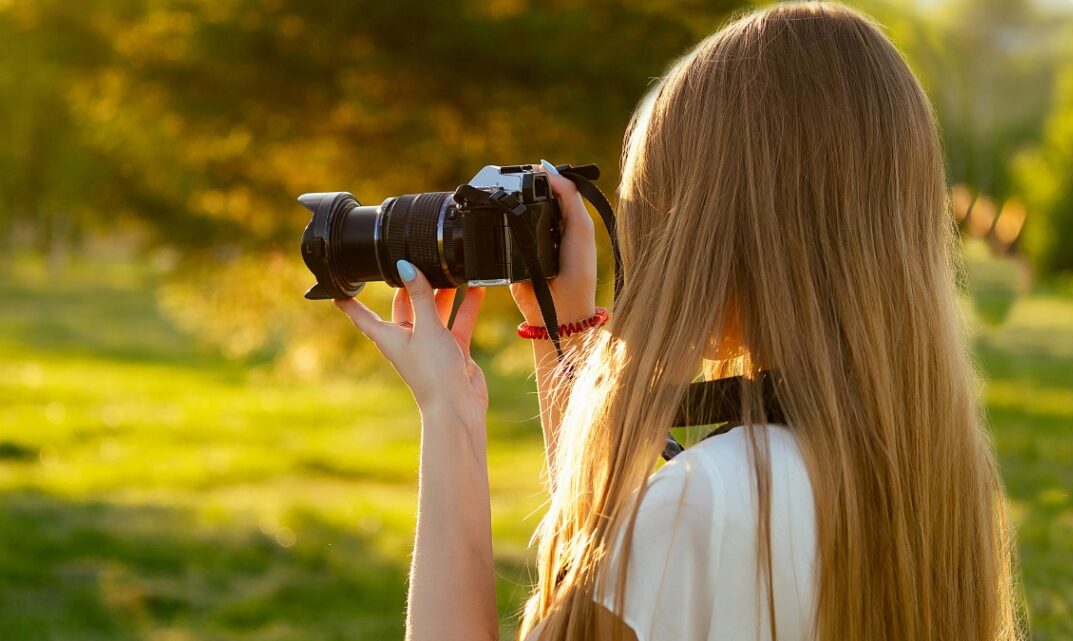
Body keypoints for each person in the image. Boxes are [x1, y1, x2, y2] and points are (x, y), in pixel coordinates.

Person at [333, 2, 1021, 640]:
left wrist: (448, 409)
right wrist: (562, 337)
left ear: (724, 227)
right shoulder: (926, 479)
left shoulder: (704, 502)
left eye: (663, 206)